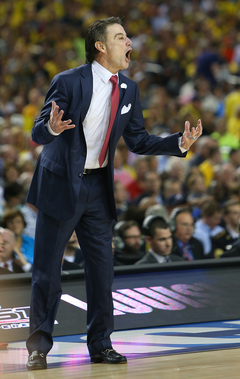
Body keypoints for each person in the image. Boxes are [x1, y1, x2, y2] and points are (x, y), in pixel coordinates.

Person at [25, 17, 202, 370]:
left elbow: (138, 140)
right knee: (48, 271)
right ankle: (39, 347)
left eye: (128, 37)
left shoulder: (129, 88)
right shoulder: (68, 81)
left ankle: (101, 344)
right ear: (101, 46)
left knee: (102, 271)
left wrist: (177, 144)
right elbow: (37, 133)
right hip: (62, 184)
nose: (130, 43)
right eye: (121, 37)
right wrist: (52, 127)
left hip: (97, 187)